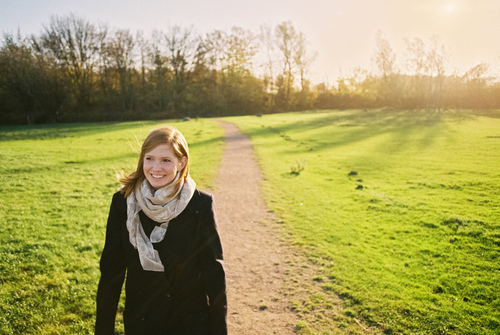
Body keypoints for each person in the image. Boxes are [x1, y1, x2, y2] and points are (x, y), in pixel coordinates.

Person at [95, 126, 227, 335]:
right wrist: (103, 330)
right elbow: (112, 272)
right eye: (150, 158)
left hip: (191, 323)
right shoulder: (123, 203)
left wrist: (219, 330)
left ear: (181, 162)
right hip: (143, 322)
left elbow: (214, 274)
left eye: (166, 160)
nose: (156, 168)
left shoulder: (200, 204)